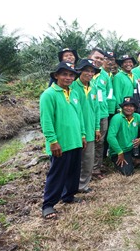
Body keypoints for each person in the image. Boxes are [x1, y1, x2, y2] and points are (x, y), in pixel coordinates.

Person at [40, 62, 86, 219]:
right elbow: (46, 120)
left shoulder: (74, 93)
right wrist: (52, 141)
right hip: (60, 144)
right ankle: (48, 205)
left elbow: (79, 116)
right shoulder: (49, 94)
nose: (68, 77)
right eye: (64, 74)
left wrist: (83, 135)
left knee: (73, 171)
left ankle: (69, 196)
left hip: (75, 140)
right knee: (57, 174)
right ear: (56, 76)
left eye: (71, 75)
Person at [72, 59, 101, 193]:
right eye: (87, 71)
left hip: (90, 129)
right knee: (74, 160)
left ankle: (82, 185)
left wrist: (97, 128)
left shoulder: (93, 87)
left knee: (88, 159)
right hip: (74, 130)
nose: (89, 74)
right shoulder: (72, 87)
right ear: (79, 71)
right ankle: (71, 186)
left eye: (92, 71)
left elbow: (96, 109)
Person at [106, 97, 140, 176]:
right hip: (120, 151)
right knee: (127, 173)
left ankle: (137, 160)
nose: (128, 108)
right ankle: (128, 161)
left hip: (133, 147)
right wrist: (119, 152)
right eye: (126, 106)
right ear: (122, 107)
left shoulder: (137, 116)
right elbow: (110, 137)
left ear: (135, 108)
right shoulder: (117, 118)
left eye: (131, 106)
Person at [89, 49, 113, 180]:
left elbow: (109, 94)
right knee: (87, 140)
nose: (98, 60)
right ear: (90, 57)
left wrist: (109, 111)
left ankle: (96, 168)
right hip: (87, 114)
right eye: (96, 57)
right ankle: (85, 168)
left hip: (103, 113)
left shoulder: (105, 75)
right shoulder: (84, 72)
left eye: (101, 58)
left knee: (100, 141)